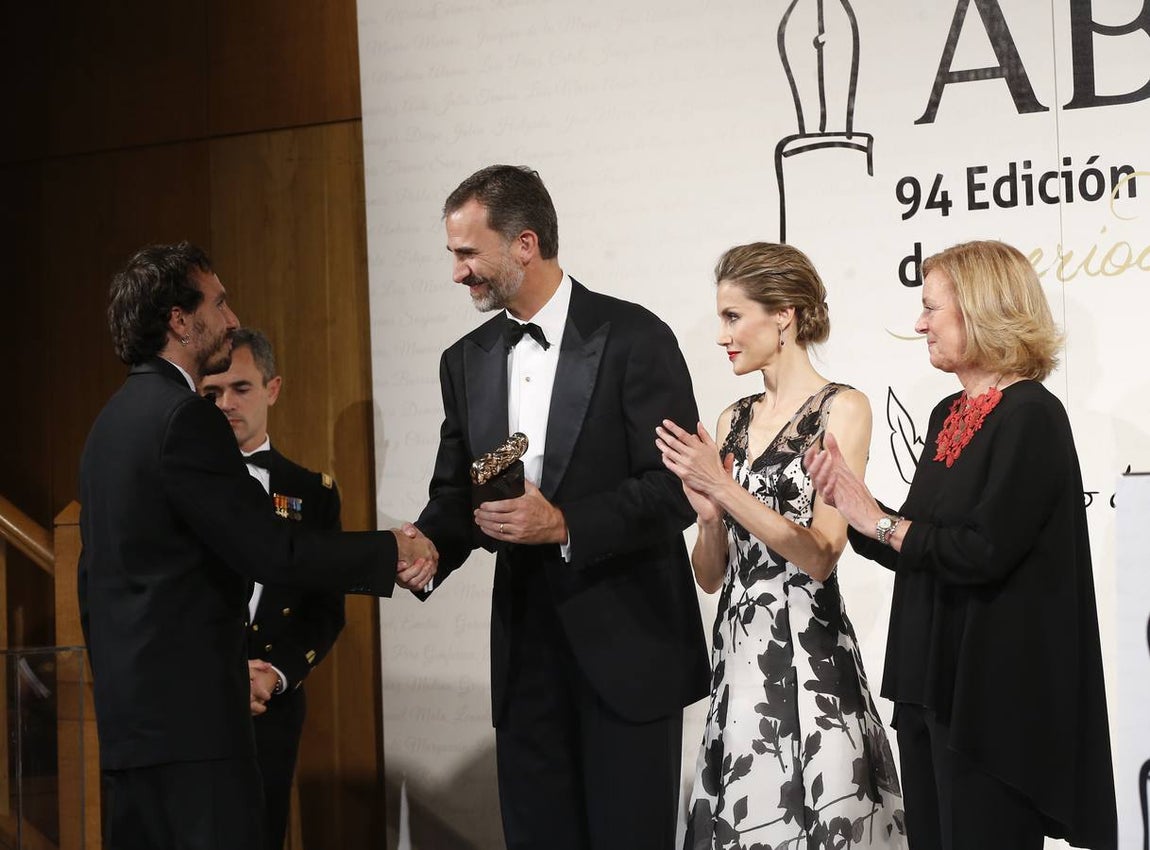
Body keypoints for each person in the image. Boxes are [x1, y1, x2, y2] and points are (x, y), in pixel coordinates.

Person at [78, 242, 435, 850]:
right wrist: (390, 550)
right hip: (198, 740)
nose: (232, 318)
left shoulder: (108, 424)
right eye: (218, 302)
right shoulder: (184, 418)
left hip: (131, 733)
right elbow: (273, 552)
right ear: (179, 320)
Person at [411, 165, 709, 850]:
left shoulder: (635, 337)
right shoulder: (465, 360)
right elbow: (457, 495)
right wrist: (424, 546)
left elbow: (676, 491)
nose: (457, 274)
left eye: (466, 253)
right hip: (527, 661)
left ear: (524, 243)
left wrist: (567, 524)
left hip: (629, 652)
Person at [804, 240, 1117, 850]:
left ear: (980, 311)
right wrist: (856, 506)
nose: (919, 323)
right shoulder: (951, 411)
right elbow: (923, 541)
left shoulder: (1032, 415)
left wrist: (880, 521)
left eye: (931, 308)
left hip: (991, 703)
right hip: (930, 683)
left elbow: (982, 550)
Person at [656, 242, 906, 849]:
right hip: (739, 658)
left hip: (811, 651)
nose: (722, 336)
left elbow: (822, 553)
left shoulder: (842, 408)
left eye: (733, 317)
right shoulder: (730, 421)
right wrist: (711, 519)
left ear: (784, 316)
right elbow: (711, 577)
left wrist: (724, 485)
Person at [200, 328, 345, 850]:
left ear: (273, 389)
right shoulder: (178, 484)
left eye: (241, 388)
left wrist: (274, 676)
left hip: (271, 702)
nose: (226, 404)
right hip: (196, 699)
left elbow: (325, 608)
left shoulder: (313, 493)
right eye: (212, 393)